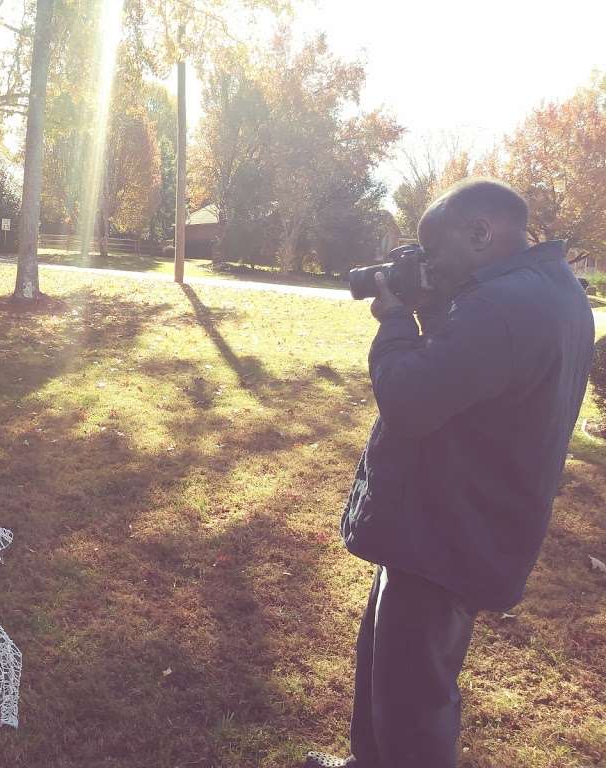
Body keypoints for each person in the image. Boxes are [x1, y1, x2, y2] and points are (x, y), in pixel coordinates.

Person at [304, 179, 594, 768]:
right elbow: (477, 379)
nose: (429, 264)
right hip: (452, 517)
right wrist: (434, 303)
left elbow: (409, 400)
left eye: (434, 250)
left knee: (413, 704)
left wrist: (393, 320)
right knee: (386, 672)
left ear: (481, 233)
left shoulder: (503, 307)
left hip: (448, 532)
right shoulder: (549, 290)